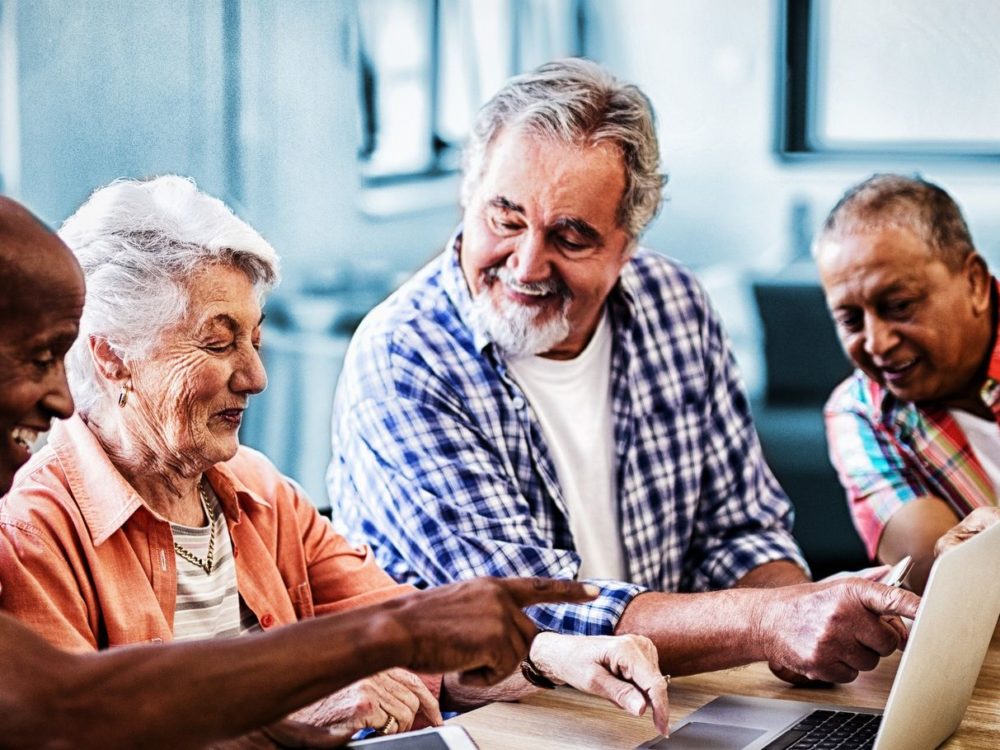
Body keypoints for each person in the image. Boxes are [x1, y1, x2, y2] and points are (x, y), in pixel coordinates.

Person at [0, 178, 670, 743]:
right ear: (111, 355)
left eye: (254, 340)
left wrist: (563, 656)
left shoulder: (256, 489)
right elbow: (76, 730)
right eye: (217, 343)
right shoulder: (35, 526)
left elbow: (418, 634)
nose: (256, 376)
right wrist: (280, 709)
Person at [328, 57, 920, 685]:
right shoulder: (405, 358)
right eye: (505, 220)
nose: (527, 265)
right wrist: (770, 621)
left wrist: (803, 623)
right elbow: (522, 611)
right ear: (468, 199)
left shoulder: (675, 303)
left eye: (571, 237)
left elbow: (739, 530)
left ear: (627, 244)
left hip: (665, 701)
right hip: (493, 718)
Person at [816, 174, 1000, 593]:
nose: (877, 343)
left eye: (899, 306)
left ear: (974, 281)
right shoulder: (859, 412)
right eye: (850, 320)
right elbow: (941, 579)